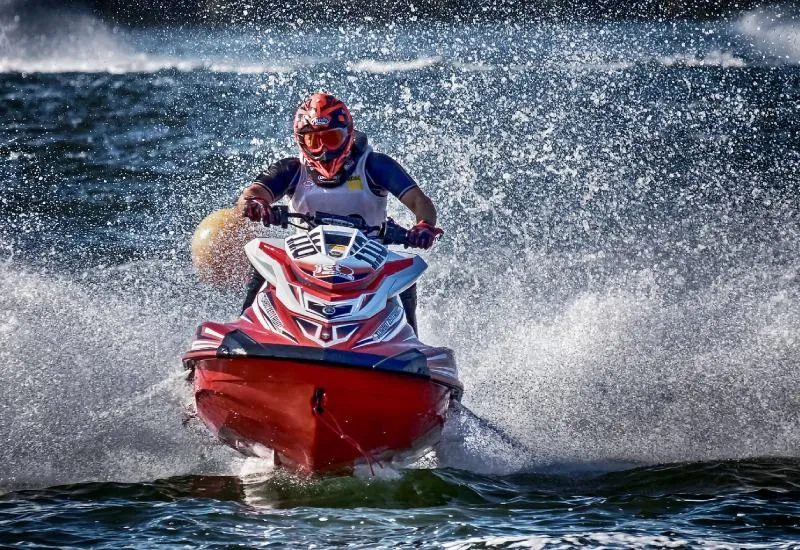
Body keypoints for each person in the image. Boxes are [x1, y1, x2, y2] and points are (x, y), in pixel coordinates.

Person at [236, 91, 443, 333]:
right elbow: (252, 193)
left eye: (331, 139)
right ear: (301, 141)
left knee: (404, 271)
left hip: (368, 264)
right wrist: (255, 204)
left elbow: (420, 202)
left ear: (348, 135)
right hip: (303, 263)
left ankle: (411, 347)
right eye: (314, 141)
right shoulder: (292, 169)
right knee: (264, 260)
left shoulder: (375, 166)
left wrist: (424, 225)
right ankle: (241, 331)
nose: (323, 151)